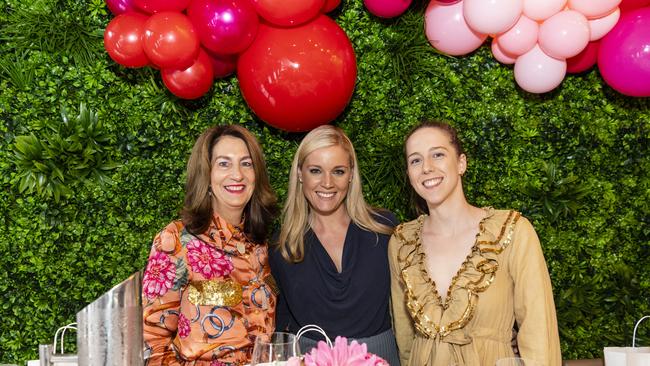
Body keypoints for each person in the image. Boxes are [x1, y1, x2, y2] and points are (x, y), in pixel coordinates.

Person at [389, 120, 562, 366]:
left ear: (461, 163)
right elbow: (405, 339)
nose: (426, 167)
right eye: (415, 160)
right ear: (409, 174)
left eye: (437, 155)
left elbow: (539, 336)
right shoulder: (402, 242)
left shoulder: (512, 233)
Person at [142, 125, 278, 365]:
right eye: (224, 164)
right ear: (206, 175)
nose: (237, 174)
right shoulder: (176, 241)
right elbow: (152, 341)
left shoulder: (261, 246)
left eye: (246, 164)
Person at [268, 125, 400, 365]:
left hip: (382, 357)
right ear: (300, 173)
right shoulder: (282, 245)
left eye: (338, 171)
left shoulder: (384, 229)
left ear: (351, 174)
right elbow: (281, 321)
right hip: (310, 359)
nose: (327, 183)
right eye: (316, 170)